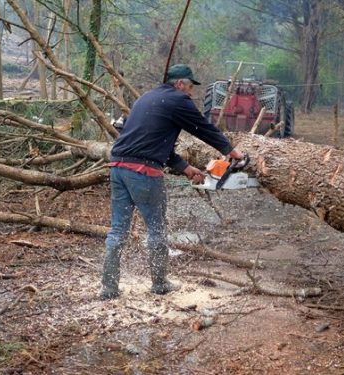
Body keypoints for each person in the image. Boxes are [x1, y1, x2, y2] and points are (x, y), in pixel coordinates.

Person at [101, 64, 245, 300]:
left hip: (118, 167)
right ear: (179, 84)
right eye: (189, 87)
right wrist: (231, 151)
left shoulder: (146, 99)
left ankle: (108, 288)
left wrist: (186, 169)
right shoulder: (178, 100)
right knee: (156, 228)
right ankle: (159, 283)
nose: (191, 93)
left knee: (118, 229)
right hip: (143, 172)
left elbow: (152, 144)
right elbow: (202, 127)